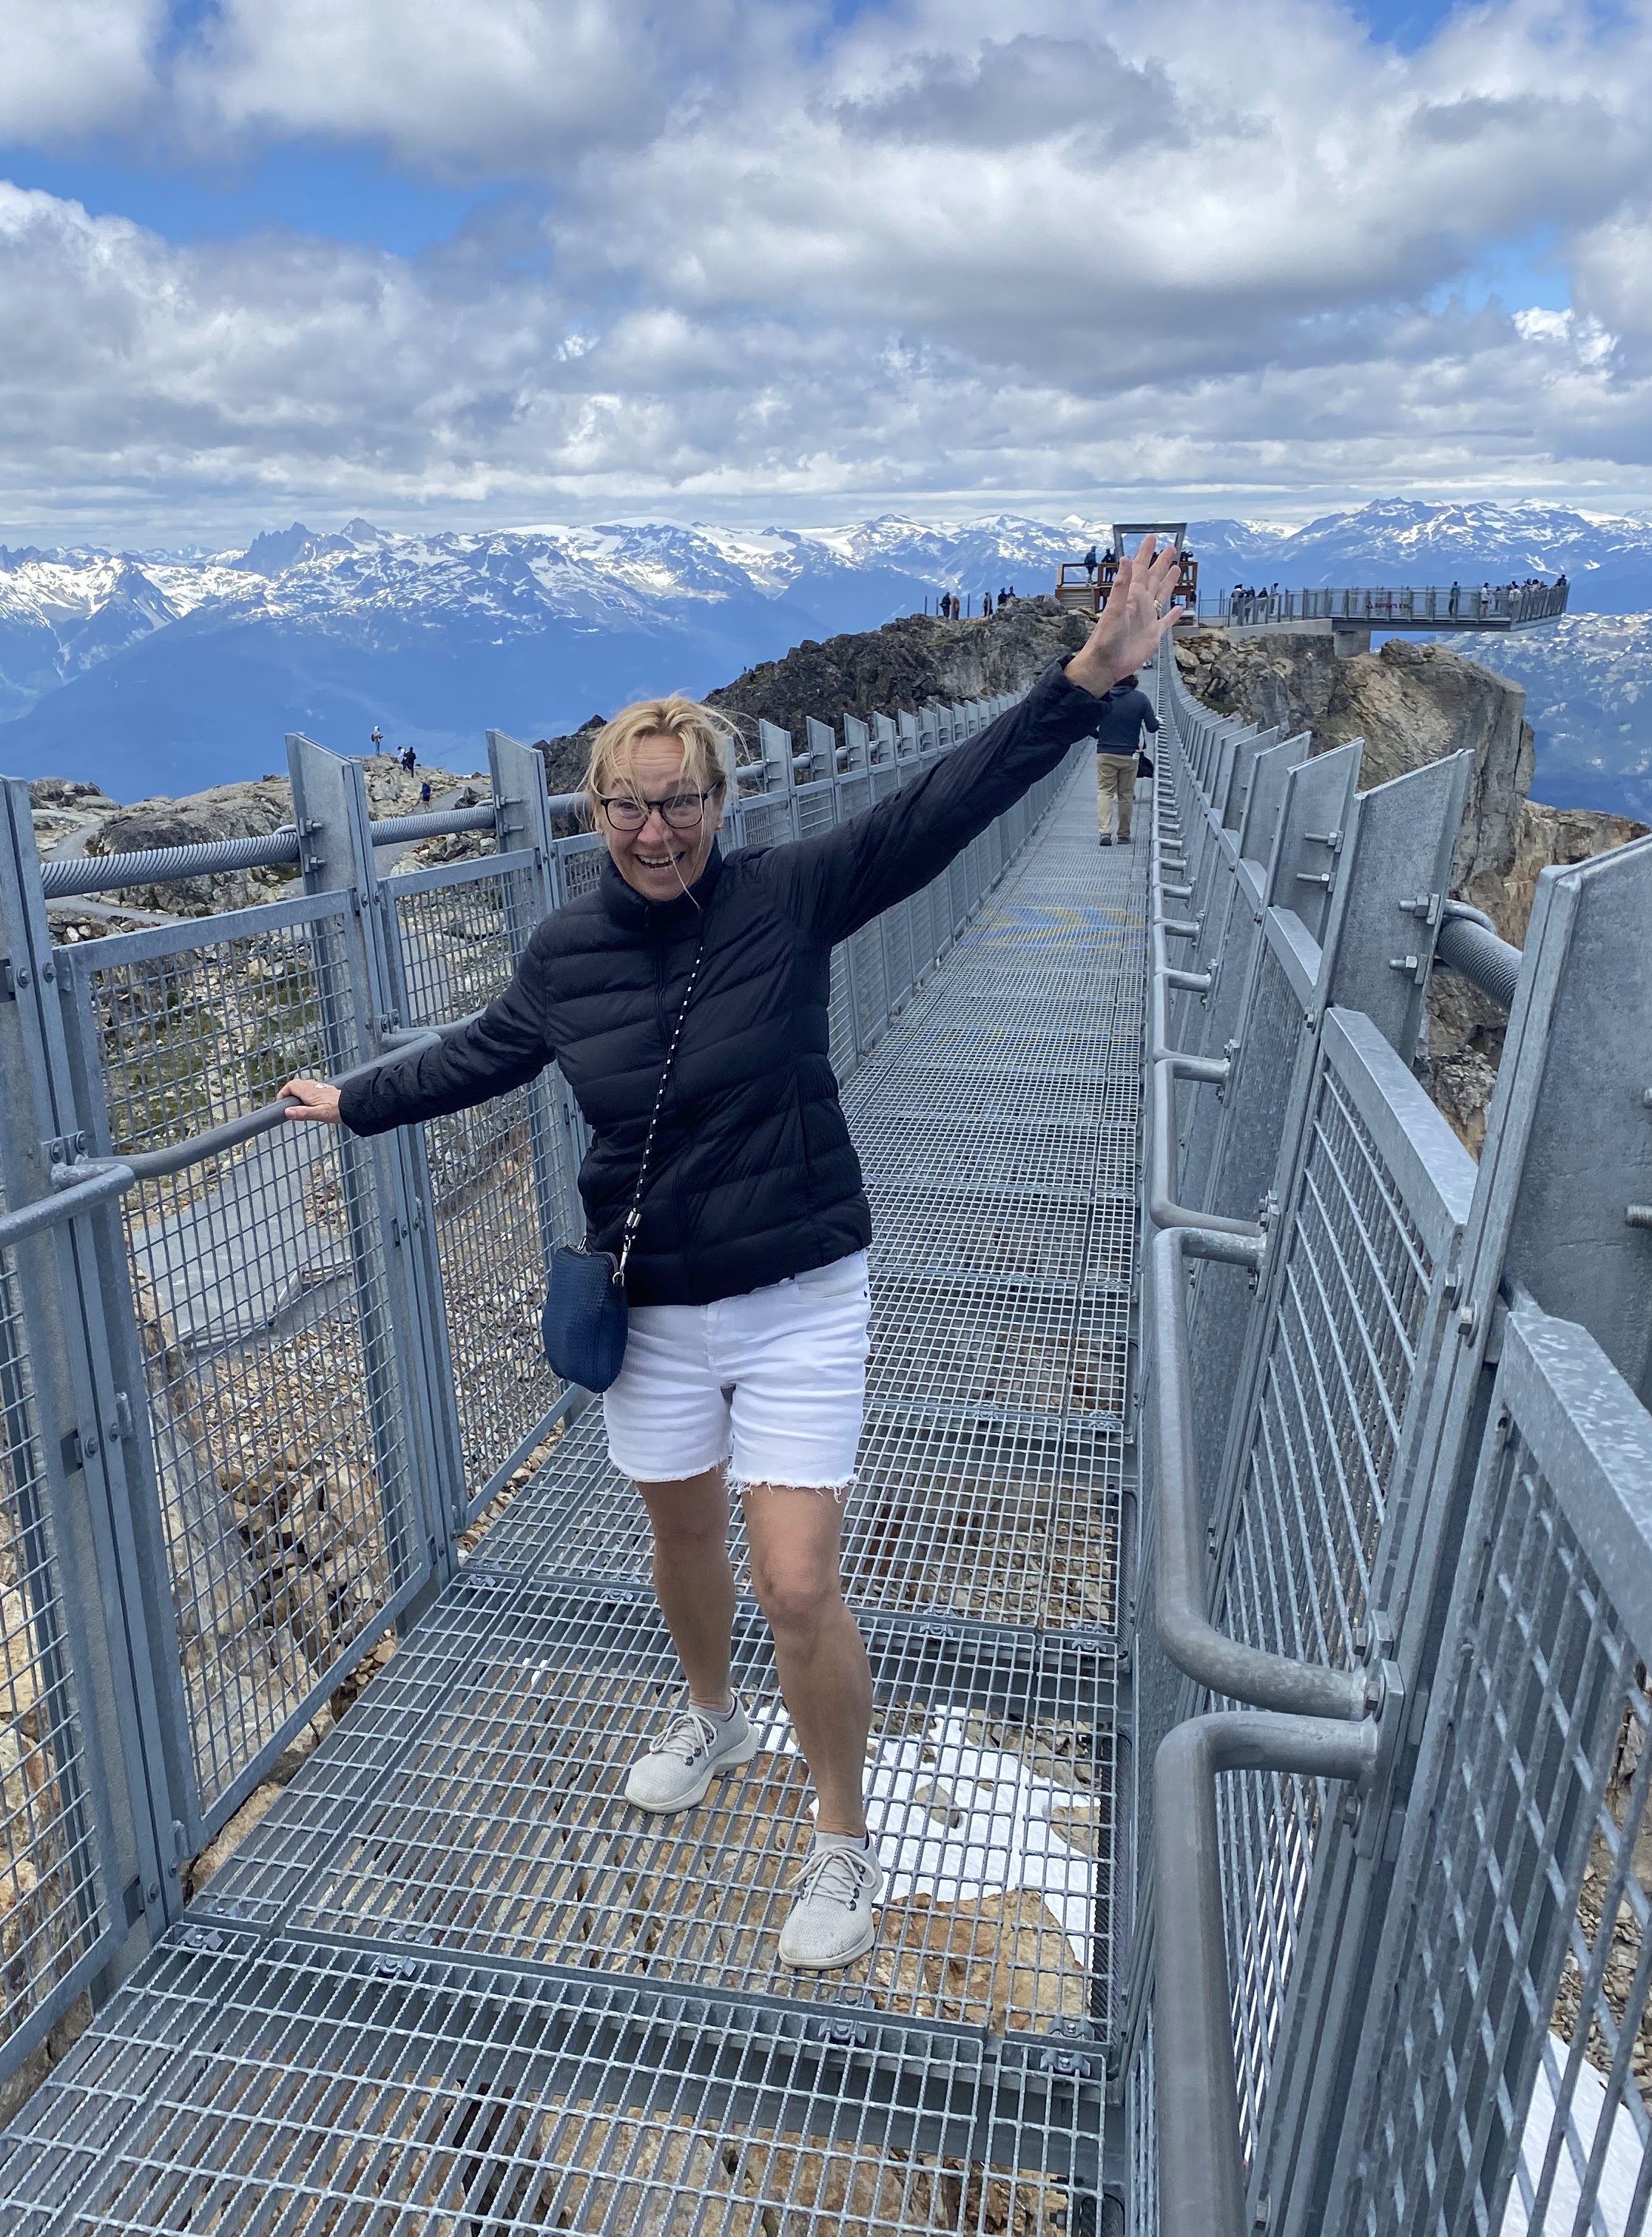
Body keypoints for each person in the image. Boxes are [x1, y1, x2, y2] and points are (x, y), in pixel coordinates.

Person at [280, 542, 1186, 1971]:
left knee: (797, 1579)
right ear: (596, 810)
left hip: (797, 1292)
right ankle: (710, 1713)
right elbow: (480, 1055)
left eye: (681, 800)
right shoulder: (563, 954)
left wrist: (1083, 680)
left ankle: (841, 1835)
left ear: (721, 798)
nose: (657, 831)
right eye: (630, 805)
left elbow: (940, 807)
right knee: (682, 1539)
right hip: (647, 1304)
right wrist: (354, 1099)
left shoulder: (788, 896)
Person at [1093, 677, 1157, 846]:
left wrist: (1099, 736)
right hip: (1130, 754)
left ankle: (1105, 832)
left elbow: (1086, 723)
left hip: (1105, 752)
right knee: (1126, 794)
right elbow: (1152, 727)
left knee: (1105, 791)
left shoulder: (1102, 697)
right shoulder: (1141, 699)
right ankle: (1124, 834)